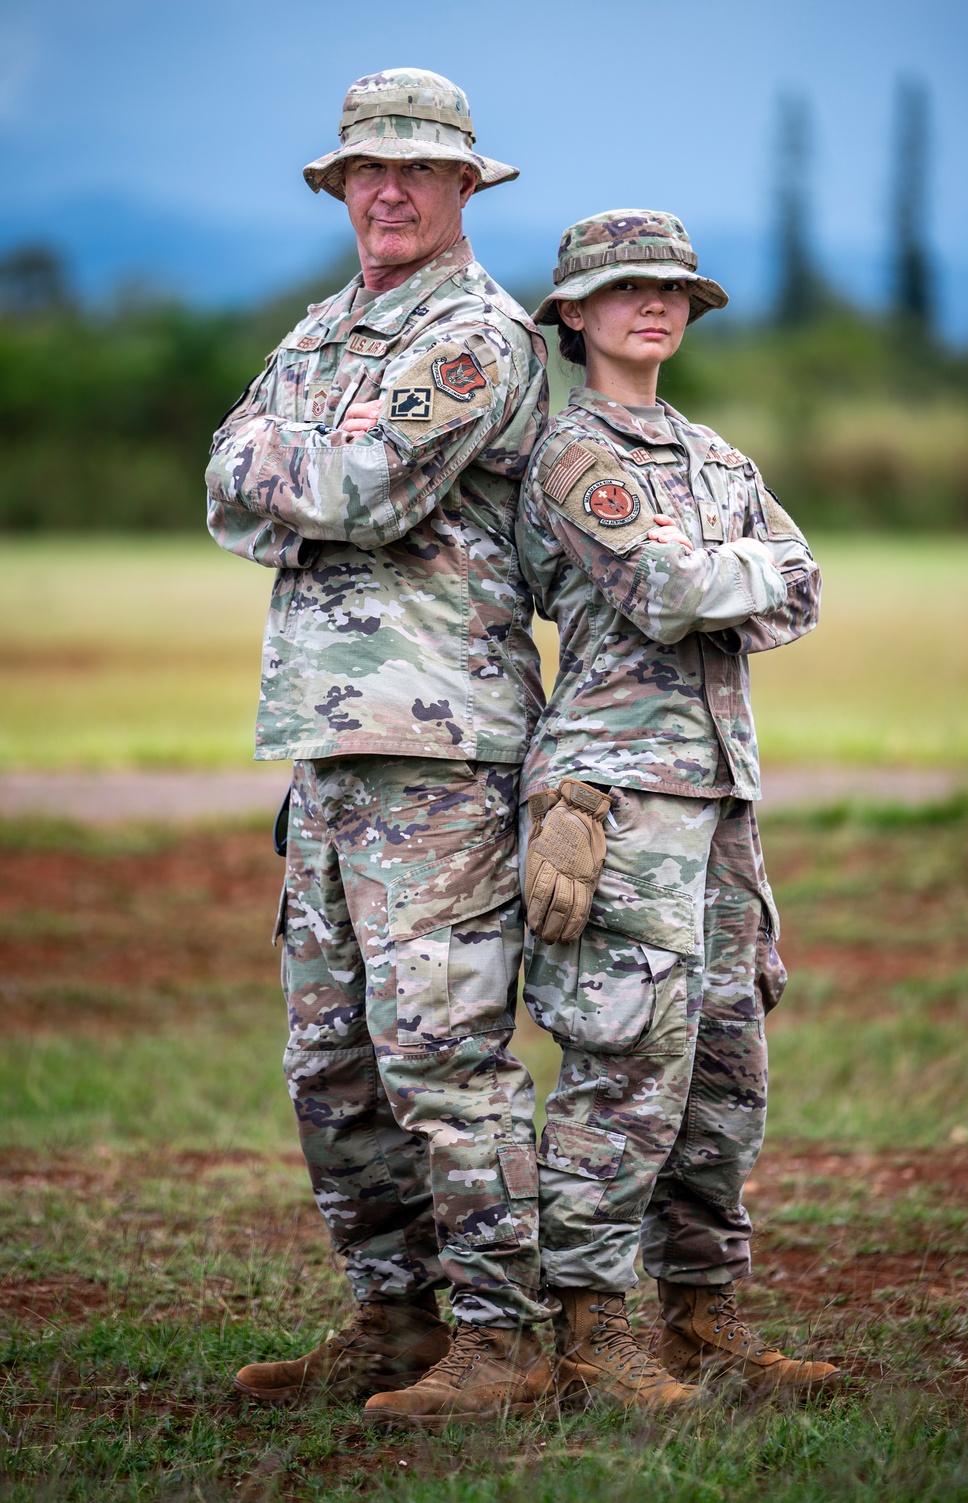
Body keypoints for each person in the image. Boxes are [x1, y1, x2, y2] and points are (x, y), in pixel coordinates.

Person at [205, 68, 555, 1426]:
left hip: (441, 751)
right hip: (325, 748)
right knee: (331, 1062)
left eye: (418, 167)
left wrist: (301, 467)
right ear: (340, 186)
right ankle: (392, 1314)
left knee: (439, 1055)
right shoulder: (321, 329)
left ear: (469, 186)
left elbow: (361, 485)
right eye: (368, 168)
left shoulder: (477, 334)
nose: (389, 188)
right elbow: (223, 472)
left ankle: (501, 1337)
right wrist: (303, 467)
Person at [515, 209, 840, 1405]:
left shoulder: (711, 455)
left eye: (672, 291)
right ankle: (593, 1338)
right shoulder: (570, 454)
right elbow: (663, 591)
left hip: (718, 795)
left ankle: (702, 1320)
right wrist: (731, 570)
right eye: (625, 289)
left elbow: (802, 585)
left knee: (724, 1062)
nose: (654, 305)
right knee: (624, 1064)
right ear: (575, 317)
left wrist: (727, 572)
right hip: (616, 798)